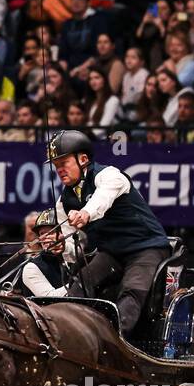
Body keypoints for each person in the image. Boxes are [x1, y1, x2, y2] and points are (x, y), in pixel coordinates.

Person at [39, 130, 171, 335]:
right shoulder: (64, 201)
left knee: (131, 291)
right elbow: (75, 245)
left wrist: (85, 213)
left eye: (63, 163)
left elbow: (102, 199)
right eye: (56, 167)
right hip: (113, 252)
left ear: (83, 159)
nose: (60, 170)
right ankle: (64, 333)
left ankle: (115, 342)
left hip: (147, 248)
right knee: (81, 282)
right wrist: (62, 246)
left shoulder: (109, 176)